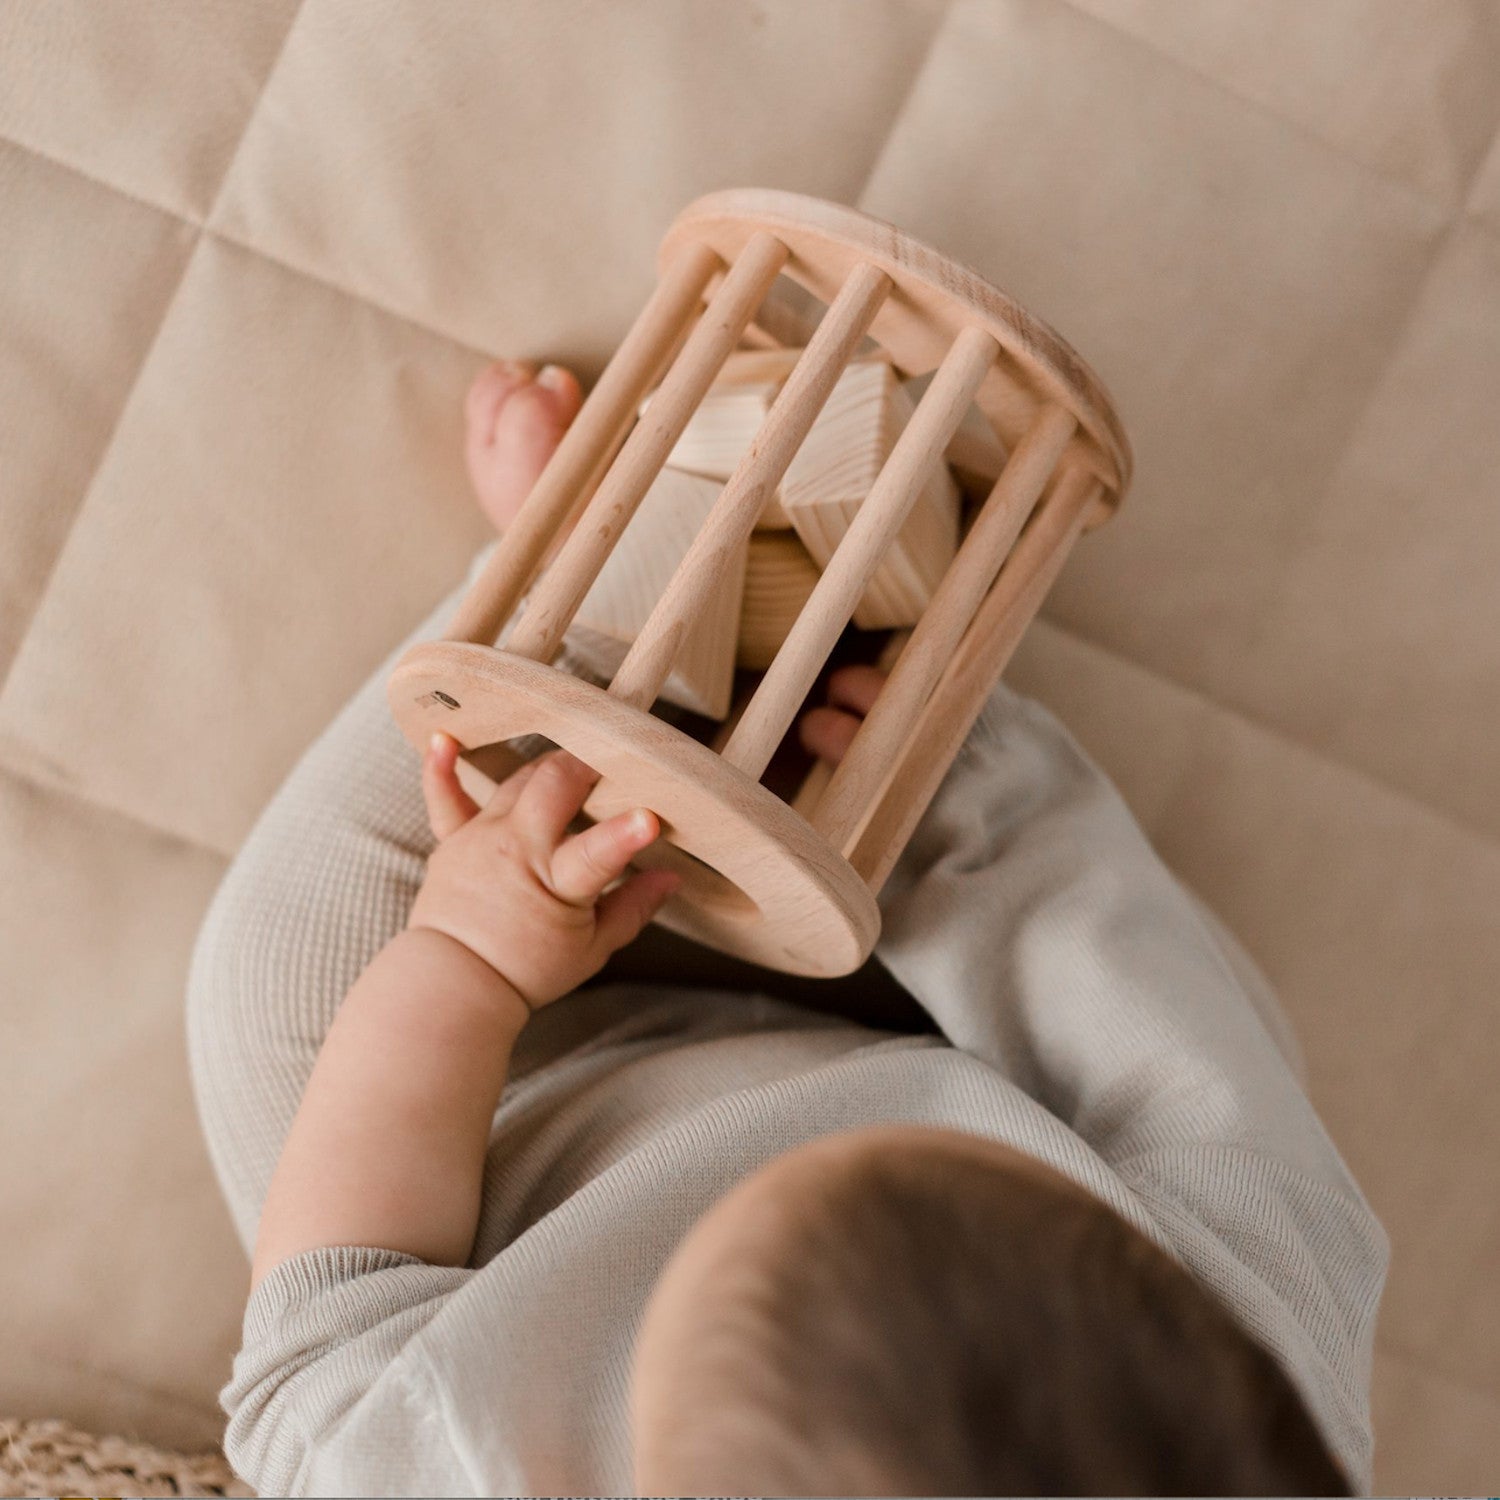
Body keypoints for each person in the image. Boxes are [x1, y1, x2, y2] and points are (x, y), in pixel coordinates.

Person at [188, 361, 1388, 1497]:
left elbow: (326, 1324)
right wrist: (966, 793)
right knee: (1195, 1043)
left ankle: (593, 592)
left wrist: (464, 964)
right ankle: (864, 724)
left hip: (495, 1176)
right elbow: (1165, 1070)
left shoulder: (432, 1466)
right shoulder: (1266, 1343)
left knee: (270, 977)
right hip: (966, 1086)